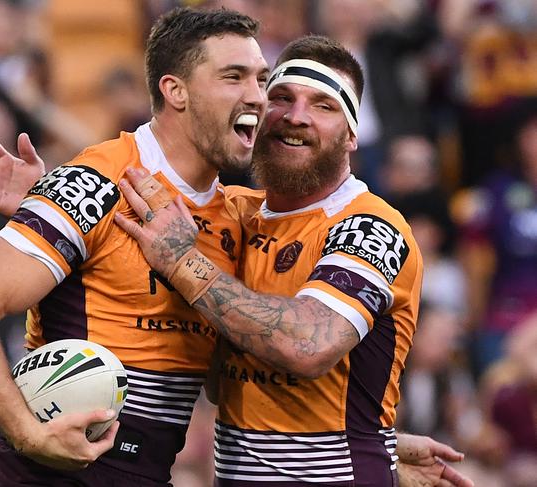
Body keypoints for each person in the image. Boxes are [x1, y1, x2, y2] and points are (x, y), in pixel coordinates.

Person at [0, 7, 269, 487]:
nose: (257, 95)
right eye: (233, 77)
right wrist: (29, 434)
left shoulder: (239, 216)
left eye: (261, 78)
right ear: (175, 91)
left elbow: (236, 377)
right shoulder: (93, 183)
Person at [113, 35, 467, 486]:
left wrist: (185, 264)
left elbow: (308, 345)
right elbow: (123, 212)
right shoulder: (235, 211)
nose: (296, 117)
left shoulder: (371, 225)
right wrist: (38, 200)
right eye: (281, 97)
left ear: (353, 134)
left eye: (324, 106)